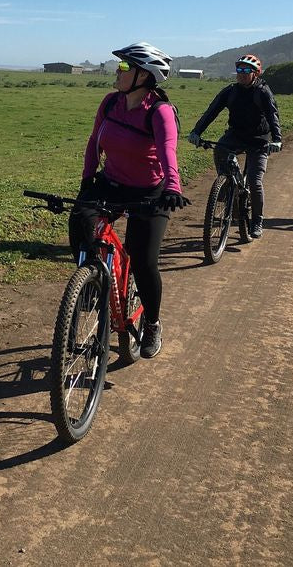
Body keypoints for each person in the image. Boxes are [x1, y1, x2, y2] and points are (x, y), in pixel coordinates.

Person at [70, 42, 190, 359]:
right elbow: (95, 141)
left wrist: (173, 187)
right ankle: (92, 284)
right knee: (79, 218)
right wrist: (87, 178)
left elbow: (168, 152)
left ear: (143, 76)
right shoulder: (111, 103)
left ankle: (151, 323)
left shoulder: (159, 111)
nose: (117, 72)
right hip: (112, 183)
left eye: (124, 68)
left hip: (151, 191)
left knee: (143, 259)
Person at [187, 54, 282, 239]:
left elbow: (273, 116)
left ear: (256, 73)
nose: (242, 74)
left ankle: (257, 221)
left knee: (254, 182)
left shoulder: (262, 92)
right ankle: (226, 184)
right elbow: (211, 111)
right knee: (220, 148)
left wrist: (277, 139)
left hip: (259, 139)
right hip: (236, 134)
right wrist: (196, 132)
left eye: (247, 70)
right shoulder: (230, 91)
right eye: (240, 69)